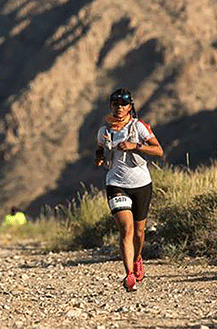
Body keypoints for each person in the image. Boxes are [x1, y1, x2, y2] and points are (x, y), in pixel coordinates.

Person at [95, 88, 164, 292]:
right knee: (126, 229)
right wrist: (99, 157)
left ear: (130, 107)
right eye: (115, 104)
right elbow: (100, 148)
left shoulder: (139, 128)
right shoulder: (104, 131)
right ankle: (129, 275)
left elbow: (159, 150)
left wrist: (135, 146)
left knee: (139, 231)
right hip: (115, 183)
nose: (119, 108)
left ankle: (138, 257)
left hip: (141, 184)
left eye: (123, 105)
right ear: (111, 106)